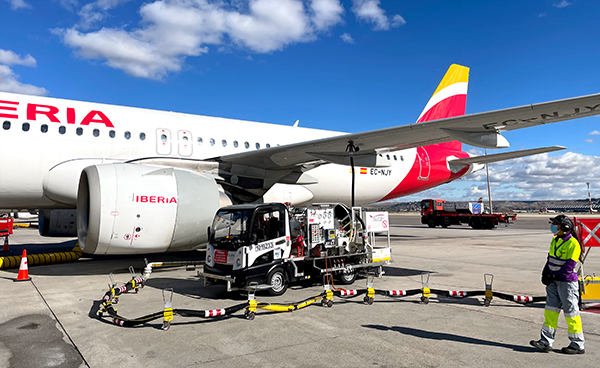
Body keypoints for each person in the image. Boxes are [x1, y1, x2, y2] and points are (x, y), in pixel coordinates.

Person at [530, 215, 585, 354]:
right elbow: (550, 258)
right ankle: (545, 341)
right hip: (554, 281)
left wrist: (554, 275)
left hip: (566, 282)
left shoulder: (573, 243)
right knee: (550, 311)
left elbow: (569, 265)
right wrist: (546, 272)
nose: (554, 226)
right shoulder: (555, 240)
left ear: (566, 227)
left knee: (571, 313)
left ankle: (577, 344)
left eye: (556, 224)